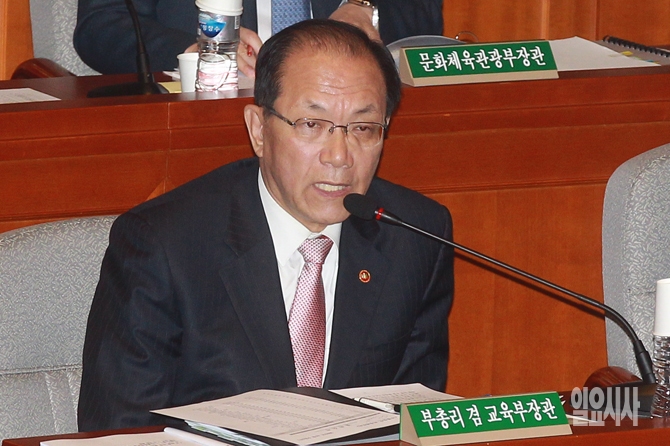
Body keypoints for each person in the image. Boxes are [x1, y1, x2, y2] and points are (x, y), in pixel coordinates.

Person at [77, 19, 454, 431]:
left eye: (363, 128)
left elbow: (411, 420)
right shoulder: (164, 245)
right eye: (312, 125)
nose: (339, 156)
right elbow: (119, 429)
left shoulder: (414, 236)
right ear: (258, 130)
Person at [73, 0, 444, 75]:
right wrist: (200, 52)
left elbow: (423, 13)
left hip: (345, 106)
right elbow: (102, 24)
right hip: (209, 114)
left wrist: (363, 7)